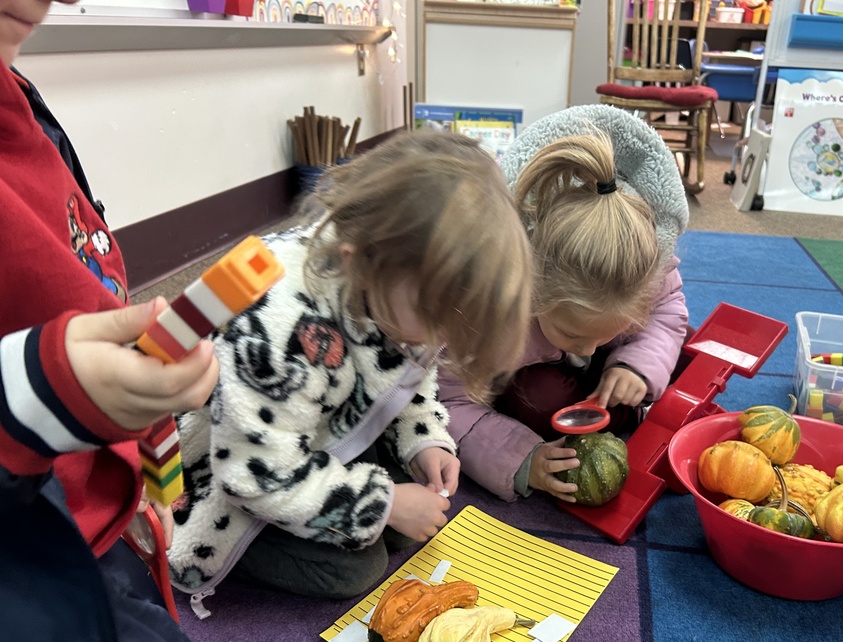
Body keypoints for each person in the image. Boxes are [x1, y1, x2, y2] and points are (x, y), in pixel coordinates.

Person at [1, 3, 247, 642]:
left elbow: (94, 289)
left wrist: (148, 473)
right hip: (31, 535)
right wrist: (41, 388)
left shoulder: (28, 108)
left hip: (99, 507)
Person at [169, 130, 533, 605]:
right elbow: (253, 476)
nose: (438, 339)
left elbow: (407, 374)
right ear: (356, 262)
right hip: (223, 478)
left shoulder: (396, 285)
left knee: (407, 517)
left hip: (307, 430)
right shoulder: (279, 329)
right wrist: (382, 507)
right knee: (355, 568)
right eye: (433, 318)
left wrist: (423, 438)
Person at [438, 104, 691, 504]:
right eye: (574, 332)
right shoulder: (484, 310)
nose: (588, 348)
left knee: (677, 345)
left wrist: (636, 367)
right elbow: (447, 401)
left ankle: (623, 389)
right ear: (531, 292)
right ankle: (617, 407)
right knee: (541, 399)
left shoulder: (646, 265)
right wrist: (522, 458)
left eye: (602, 335)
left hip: (594, 369)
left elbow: (667, 312)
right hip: (525, 372)